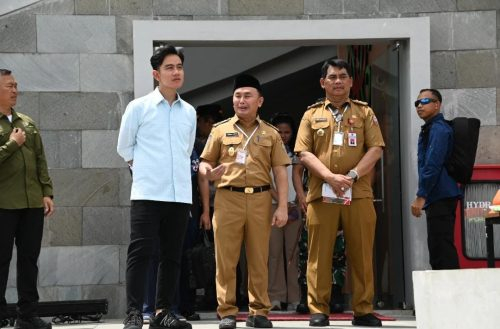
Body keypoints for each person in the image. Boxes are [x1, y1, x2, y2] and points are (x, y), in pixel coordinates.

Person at [295, 58, 385, 327]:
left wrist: (353, 175)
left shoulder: (365, 112)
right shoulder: (311, 115)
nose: (337, 81)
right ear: (323, 82)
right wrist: (329, 176)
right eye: (332, 77)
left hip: (357, 193)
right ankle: (318, 310)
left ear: (350, 82)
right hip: (322, 193)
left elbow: (376, 148)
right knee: (319, 254)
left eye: (343, 76)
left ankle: (363, 309)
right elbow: (303, 152)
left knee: (361, 253)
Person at [199, 74, 291, 329]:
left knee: (259, 257)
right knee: (226, 258)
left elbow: (281, 172)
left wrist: (282, 206)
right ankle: (227, 312)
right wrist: (208, 172)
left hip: (261, 198)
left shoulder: (270, 133)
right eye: (238, 96)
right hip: (228, 198)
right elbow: (205, 163)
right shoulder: (220, 129)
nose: (241, 100)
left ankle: (259, 312)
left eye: (247, 96)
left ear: (259, 101)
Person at [117, 45, 196, 329]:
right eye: (169, 68)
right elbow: (124, 147)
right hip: (148, 193)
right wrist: (147, 172)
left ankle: (163, 311)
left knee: (172, 256)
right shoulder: (138, 107)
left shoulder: (189, 112)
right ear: (155, 74)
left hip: (179, 195)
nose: (176, 72)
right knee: (140, 254)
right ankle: (134, 312)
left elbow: (186, 151)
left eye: (179, 67)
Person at [0, 69, 55, 329]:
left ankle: (27, 315)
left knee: (28, 260)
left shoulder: (27, 123)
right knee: (1, 260)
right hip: (3, 203)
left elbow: (40, 160)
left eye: (16, 85)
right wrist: (11, 144)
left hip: (32, 203)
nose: (15, 90)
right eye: (9, 86)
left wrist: (46, 192)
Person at [411, 88, 462, 270]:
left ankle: (452, 295)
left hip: (441, 195)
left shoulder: (439, 130)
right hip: (438, 195)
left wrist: (421, 195)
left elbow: (432, 165)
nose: (419, 106)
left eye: (424, 102)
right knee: (438, 248)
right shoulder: (430, 129)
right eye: (417, 103)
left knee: (442, 250)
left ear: (437, 105)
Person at [267, 113, 301, 312]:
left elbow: (301, 180)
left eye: (287, 132)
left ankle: (295, 298)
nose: (283, 135)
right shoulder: (266, 152)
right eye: (279, 131)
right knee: (274, 253)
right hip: (273, 207)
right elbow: (267, 181)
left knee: (292, 253)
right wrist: (281, 202)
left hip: (295, 207)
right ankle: (275, 297)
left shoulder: (298, 151)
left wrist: (296, 201)